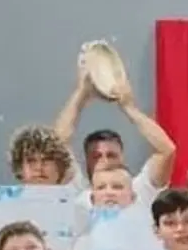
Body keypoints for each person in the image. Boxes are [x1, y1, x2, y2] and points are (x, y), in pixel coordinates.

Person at [54, 59, 177, 208]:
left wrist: (129, 108)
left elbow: (166, 150)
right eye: (96, 156)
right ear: (86, 160)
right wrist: (81, 93)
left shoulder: (140, 190)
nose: (104, 160)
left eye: (111, 155)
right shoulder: (77, 191)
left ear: (122, 157)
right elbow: (57, 144)